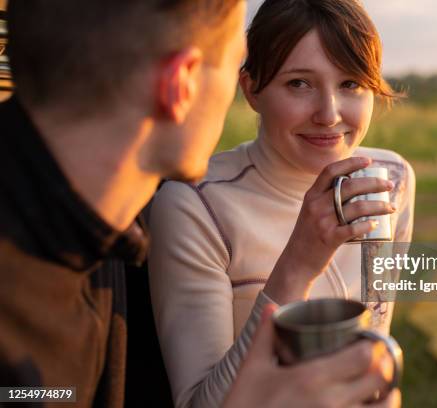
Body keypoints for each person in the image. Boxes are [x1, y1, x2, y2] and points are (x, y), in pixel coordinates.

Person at [0, 0, 397, 407]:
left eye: (351, 82)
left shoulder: (103, 232)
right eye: (232, 64)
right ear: (183, 83)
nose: (329, 114)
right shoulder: (178, 209)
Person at [148, 0, 415, 406]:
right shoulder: (195, 206)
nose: (328, 114)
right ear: (251, 89)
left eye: (351, 84)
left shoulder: (391, 179)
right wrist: (298, 264)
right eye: (299, 84)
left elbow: (375, 338)